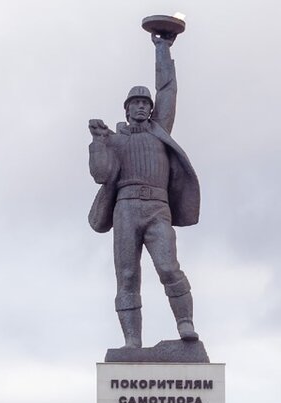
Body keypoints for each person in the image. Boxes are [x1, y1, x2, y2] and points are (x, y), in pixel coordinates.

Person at [88, 29, 201, 347]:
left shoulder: (159, 130)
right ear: (125, 109)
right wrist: (98, 142)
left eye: (145, 103)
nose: (141, 107)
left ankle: (185, 322)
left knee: (168, 267)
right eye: (135, 103)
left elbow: (168, 89)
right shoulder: (114, 139)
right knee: (126, 277)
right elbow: (101, 174)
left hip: (157, 208)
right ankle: (132, 341)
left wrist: (162, 49)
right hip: (125, 209)